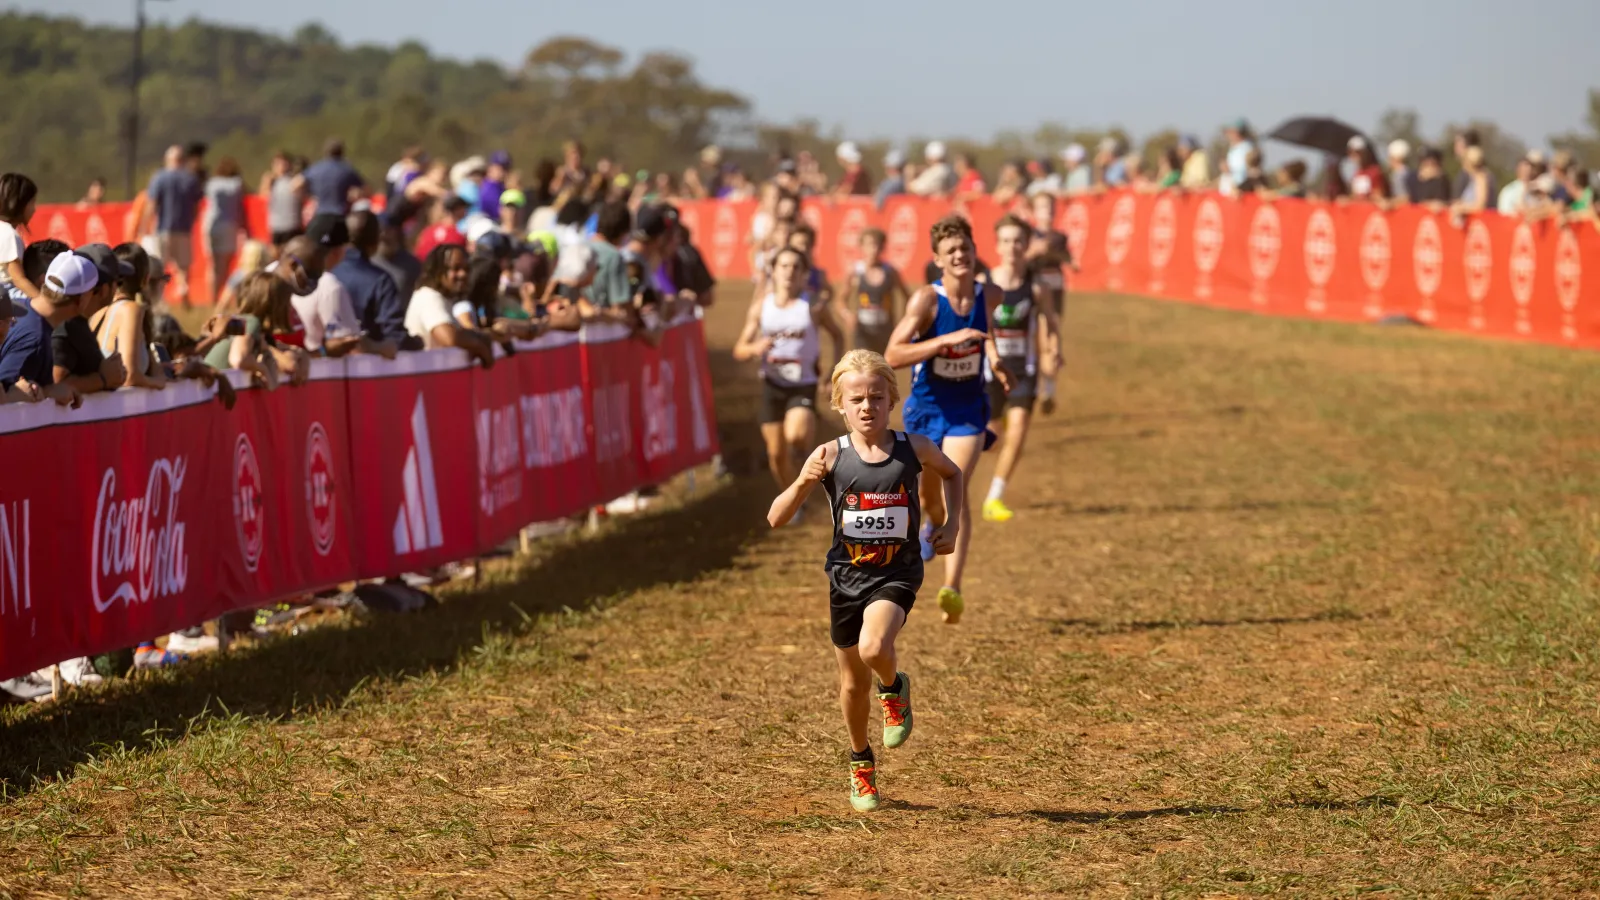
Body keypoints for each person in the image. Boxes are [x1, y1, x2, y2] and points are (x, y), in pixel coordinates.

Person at [765, 349, 962, 812]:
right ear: (839, 403)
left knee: (875, 649)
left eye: (877, 396)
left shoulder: (915, 448)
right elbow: (775, 518)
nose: (867, 406)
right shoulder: (830, 454)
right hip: (845, 579)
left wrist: (949, 525)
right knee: (852, 684)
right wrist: (800, 483)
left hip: (896, 573)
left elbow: (953, 475)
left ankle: (894, 689)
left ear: (892, 398)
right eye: (857, 399)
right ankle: (861, 764)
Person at [884, 214, 1012, 624]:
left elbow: (987, 327)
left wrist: (994, 359)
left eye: (965, 248)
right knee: (928, 497)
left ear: (976, 253)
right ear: (938, 260)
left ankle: (952, 586)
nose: (960, 255)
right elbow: (893, 354)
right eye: (951, 251)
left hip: (967, 410)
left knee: (957, 476)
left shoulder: (989, 294)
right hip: (925, 409)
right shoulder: (926, 300)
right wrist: (945, 340)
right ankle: (933, 527)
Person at [733, 246, 833, 505]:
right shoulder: (761, 307)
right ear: (773, 272)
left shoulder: (812, 305)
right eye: (784, 266)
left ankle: (806, 433)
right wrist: (755, 348)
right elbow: (739, 349)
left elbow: (838, 334)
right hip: (772, 384)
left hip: (803, 384)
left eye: (795, 267)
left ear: (803, 274)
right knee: (776, 455)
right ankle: (794, 501)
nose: (789, 272)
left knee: (795, 436)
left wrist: (832, 369)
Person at [981, 215, 1061, 523]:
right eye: (1005, 240)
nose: (1012, 247)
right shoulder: (984, 284)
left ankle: (994, 498)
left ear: (1026, 245)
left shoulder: (1037, 287)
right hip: (989, 372)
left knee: (1018, 432)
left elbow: (1051, 324)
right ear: (997, 245)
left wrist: (1053, 351)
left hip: (1023, 371)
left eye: (1018, 241)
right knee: (990, 439)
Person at [0, 253, 93, 408]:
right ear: (81, 300)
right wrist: (47, 392)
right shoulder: (35, 337)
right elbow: (8, 394)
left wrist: (50, 390)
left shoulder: (19, 307)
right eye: (93, 292)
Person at [403, 244, 496, 367]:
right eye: (456, 268)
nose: (463, 274)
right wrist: (480, 346)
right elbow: (449, 337)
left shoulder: (443, 299)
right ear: (438, 271)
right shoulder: (428, 296)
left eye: (466, 269)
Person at [91, 243, 168, 391]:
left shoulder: (97, 312)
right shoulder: (130, 309)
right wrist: (158, 382)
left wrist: (156, 367)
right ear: (146, 279)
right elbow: (129, 376)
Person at [55, 244, 130, 395]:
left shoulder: (78, 323)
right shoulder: (66, 326)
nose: (118, 289)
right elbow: (56, 383)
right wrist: (103, 379)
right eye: (118, 282)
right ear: (104, 290)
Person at [332, 210, 407, 353]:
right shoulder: (381, 280)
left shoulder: (326, 274)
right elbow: (395, 336)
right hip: (372, 369)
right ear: (376, 239)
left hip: (324, 367)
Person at [146, 146, 203, 307]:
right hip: (184, 228)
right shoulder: (191, 178)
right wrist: (192, 221)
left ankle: (160, 298)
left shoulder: (160, 177)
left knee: (160, 265)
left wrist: (146, 225)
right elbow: (196, 205)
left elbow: (152, 203)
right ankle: (183, 287)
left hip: (163, 228)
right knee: (183, 266)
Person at [840, 229, 907, 355]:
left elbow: (906, 296)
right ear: (862, 247)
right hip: (862, 330)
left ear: (882, 247)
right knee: (864, 367)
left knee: (883, 368)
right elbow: (841, 299)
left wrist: (903, 321)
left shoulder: (890, 271)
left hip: (885, 329)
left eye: (877, 245)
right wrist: (847, 314)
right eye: (870, 244)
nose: (874, 249)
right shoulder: (855, 271)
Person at [203, 157, 247, 305]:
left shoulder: (211, 183)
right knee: (225, 265)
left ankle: (213, 298)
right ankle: (223, 298)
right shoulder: (236, 184)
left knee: (214, 265)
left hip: (211, 225)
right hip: (229, 225)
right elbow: (242, 204)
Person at [0, 172, 39, 305]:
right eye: (32, 202)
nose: (34, 209)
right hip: (9, 300)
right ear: (19, 204)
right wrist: (43, 303)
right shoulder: (9, 234)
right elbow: (18, 280)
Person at [303, 139, 366, 217]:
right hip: (340, 214)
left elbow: (296, 184)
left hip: (321, 214)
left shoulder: (316, 168)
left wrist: (310, 195)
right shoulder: (346, 169)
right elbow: (365, 188)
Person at [261, 151, 305, 253]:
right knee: (275, 254)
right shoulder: (272, 181)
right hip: (276, 225)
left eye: (284, 163)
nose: (281, 167)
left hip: (292, 224)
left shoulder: (294, 180)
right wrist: (267, 181)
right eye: (278, 164)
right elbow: (263, 197)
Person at [373, 218, 422, 300]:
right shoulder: (368, 263)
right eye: (380, 231)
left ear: (396, 232)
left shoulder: (412, 265)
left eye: (387, 230)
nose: (383, 235)